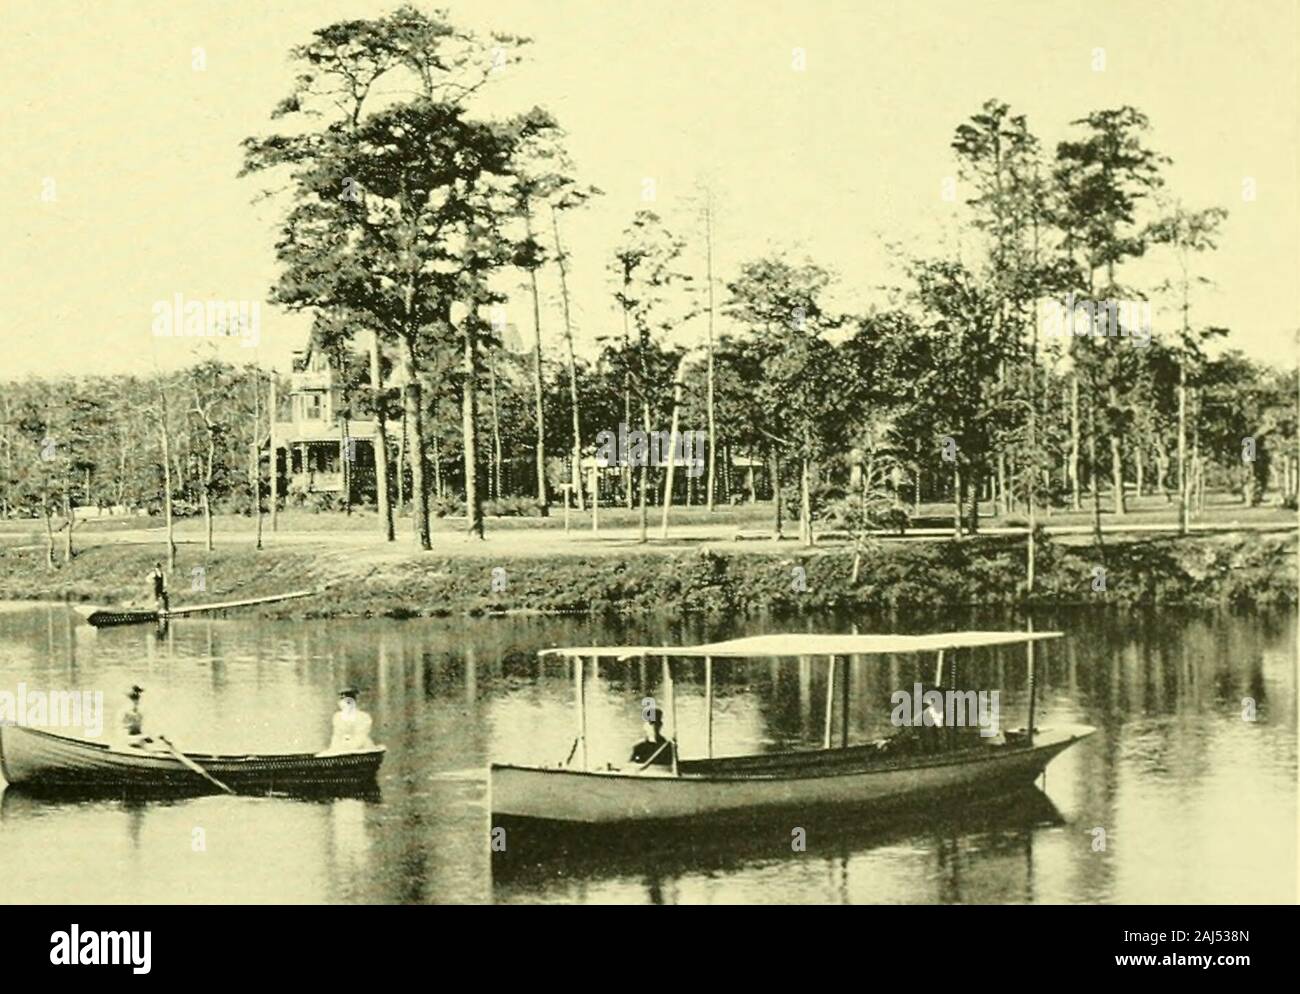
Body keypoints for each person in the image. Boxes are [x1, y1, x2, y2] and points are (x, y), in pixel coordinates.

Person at [320, 687, 376, 755]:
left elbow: (361, 737)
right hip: (341, 747)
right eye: (342, 701)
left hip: (361, 748)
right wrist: (334, 750)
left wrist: (349, 749)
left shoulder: (363, 717)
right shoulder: (337, 717)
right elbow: (336, 736)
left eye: (348, 702)